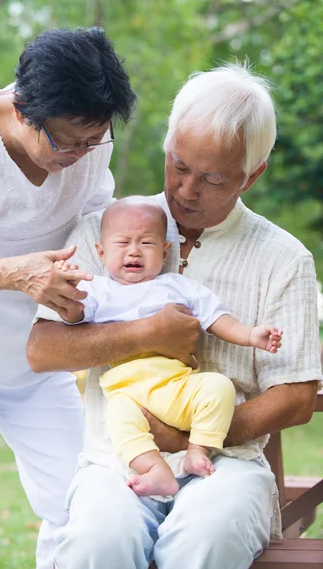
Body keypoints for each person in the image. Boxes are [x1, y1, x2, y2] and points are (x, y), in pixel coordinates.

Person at [28, 63, 322, 569]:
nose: (187, 190)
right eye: (179, 165)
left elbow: (295, 396)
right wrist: (145, 333)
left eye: (212, 178)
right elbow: (43, 349)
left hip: (231, 465)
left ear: (252, 175)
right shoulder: (104, 232)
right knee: (97, 543)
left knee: (203, 541)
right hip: (115, 457)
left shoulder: (282, 257)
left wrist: (192, 440)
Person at [0, 26, 144, 569]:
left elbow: (93, 225)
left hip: (30, 357)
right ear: (24, 109)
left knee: (82, 502)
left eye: (95, 141)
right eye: (66, 141)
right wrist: (14, 275)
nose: (79, 154)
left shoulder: (89, 146)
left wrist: (83, 292)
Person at [44, 196, 283, 498]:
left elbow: (217, 318)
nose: (134, 251)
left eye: (146, 243)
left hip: (177, 387)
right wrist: (64, 287)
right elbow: (74, 315)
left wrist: (251, 336)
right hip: (128, 393)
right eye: (123, 243)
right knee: (117, 418)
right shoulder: (98, 290)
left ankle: (198, 449)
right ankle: (155, 470)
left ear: (165, 251)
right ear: (101, 253)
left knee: (218, 387)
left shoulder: (176, 286)